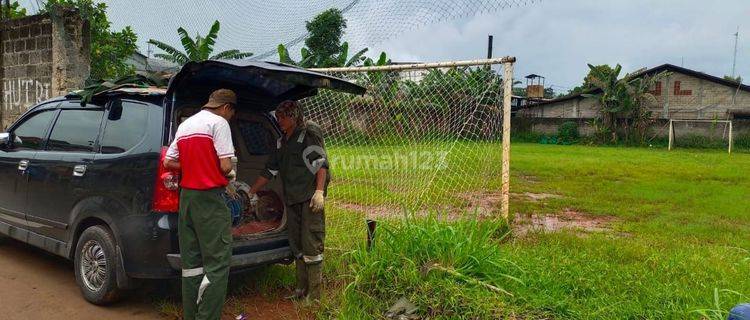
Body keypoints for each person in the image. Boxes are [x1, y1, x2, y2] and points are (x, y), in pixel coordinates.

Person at [163, 89, 237, 320]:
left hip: (187, 199)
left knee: (192, 264)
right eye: (231, 113)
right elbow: (226, 166)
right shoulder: (219, 123)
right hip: (209, 200)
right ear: (226, 108)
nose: (230, 117)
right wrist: (230, 175)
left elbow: (169, 161)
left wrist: (194, 166)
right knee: (217, 263)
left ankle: (191, 315)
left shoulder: (185, 126)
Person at [248, 100, 329, 301]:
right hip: (292, 200)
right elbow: (270, 170)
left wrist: (319, 192)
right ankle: (301, 290)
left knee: (311, 243)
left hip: (309, 199)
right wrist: (251, 191)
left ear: (293, 117)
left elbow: (321, 166)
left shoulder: (307, 136)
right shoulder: (283, 141)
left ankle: (315, 296)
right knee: (297, 245)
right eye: (277, 117)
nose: (279, 121)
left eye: (283, 117)